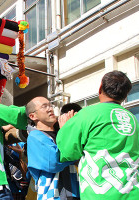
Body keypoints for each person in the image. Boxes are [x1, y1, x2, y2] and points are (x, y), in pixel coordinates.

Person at [57, 70, 139, 200]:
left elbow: (68, 153)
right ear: (125, 94)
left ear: (100, 88)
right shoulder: (132, 118)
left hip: (99, 192)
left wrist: (64, 128)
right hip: (133, 191)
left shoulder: (87, 114)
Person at [26, 97, 80, 200]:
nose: (50, 109)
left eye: (50, 105)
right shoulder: (34, 136)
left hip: (74, 191)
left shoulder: (60, 133)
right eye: (44, 106)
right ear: (33, 116)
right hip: (53, 195)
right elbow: (54, 161)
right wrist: (66, 130)